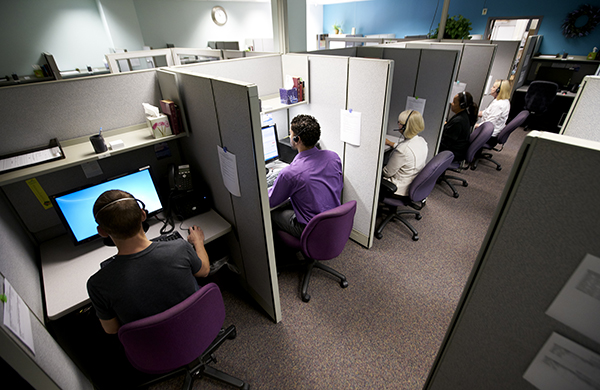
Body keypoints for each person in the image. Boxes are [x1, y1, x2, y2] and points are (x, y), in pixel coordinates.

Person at [87, 189, 210, 335]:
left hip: (153, 346)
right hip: (195, 327)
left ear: (101, 232)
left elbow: (112, 329)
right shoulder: (179, 248)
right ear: (143, 215)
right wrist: (198, 242)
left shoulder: (97, 284)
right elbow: (204, 271)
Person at [269, 114, 343, 238]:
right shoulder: (333, 157)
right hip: (333, 221)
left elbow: (271, 201)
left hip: (310, 229)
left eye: (290, 134)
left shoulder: (290, 173)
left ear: (297, 139)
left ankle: (280, 254)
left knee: (271, 214)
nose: (290, 137)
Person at [382, 110, 428, 197]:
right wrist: (391, 144)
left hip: (398, 189)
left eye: (399, 123)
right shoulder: (422, 141)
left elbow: (387, 173)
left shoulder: (402, 150)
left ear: (404, 127)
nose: (398, 124)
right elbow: (409, 152)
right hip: (412, 182)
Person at [439, 91, 478, 162]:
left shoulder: (459, 121)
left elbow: (445, 144)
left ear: (462, 105)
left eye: (454, 102)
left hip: (452, 153)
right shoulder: (463, 115)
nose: (451, 103)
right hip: (456, 150)